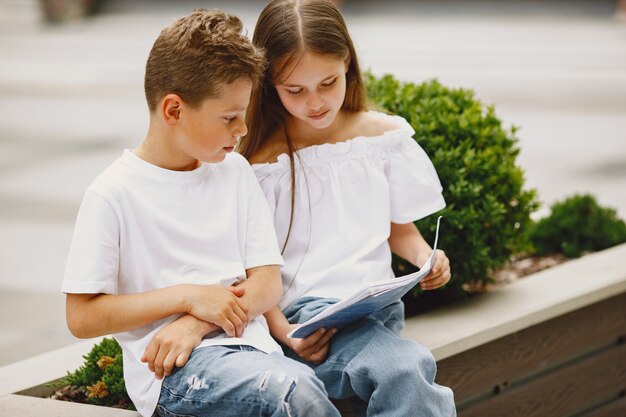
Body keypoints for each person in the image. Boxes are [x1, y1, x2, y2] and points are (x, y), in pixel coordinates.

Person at [61, 9, 341, 417]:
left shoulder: (235, 173)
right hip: (175, 374)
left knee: (314, 384)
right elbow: (81, 316)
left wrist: (198, 322)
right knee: (294, 393)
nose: (242, 129)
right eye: (229, 117)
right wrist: (188, 297)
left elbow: (267, 283)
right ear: (173, 110)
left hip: (256, 352)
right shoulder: (113, 193)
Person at [238, 1, 457, 416]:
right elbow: (250, 267)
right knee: (406, 368)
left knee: (399, 363)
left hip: (374, 307)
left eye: (328, 82)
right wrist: (284, 332)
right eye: (295, 90)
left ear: (348, 65)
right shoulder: (260, 164)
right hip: (309, 322)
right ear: (268, 84)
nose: (315, 102)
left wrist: (426, 257)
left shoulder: (379, 136)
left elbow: (399, 231)